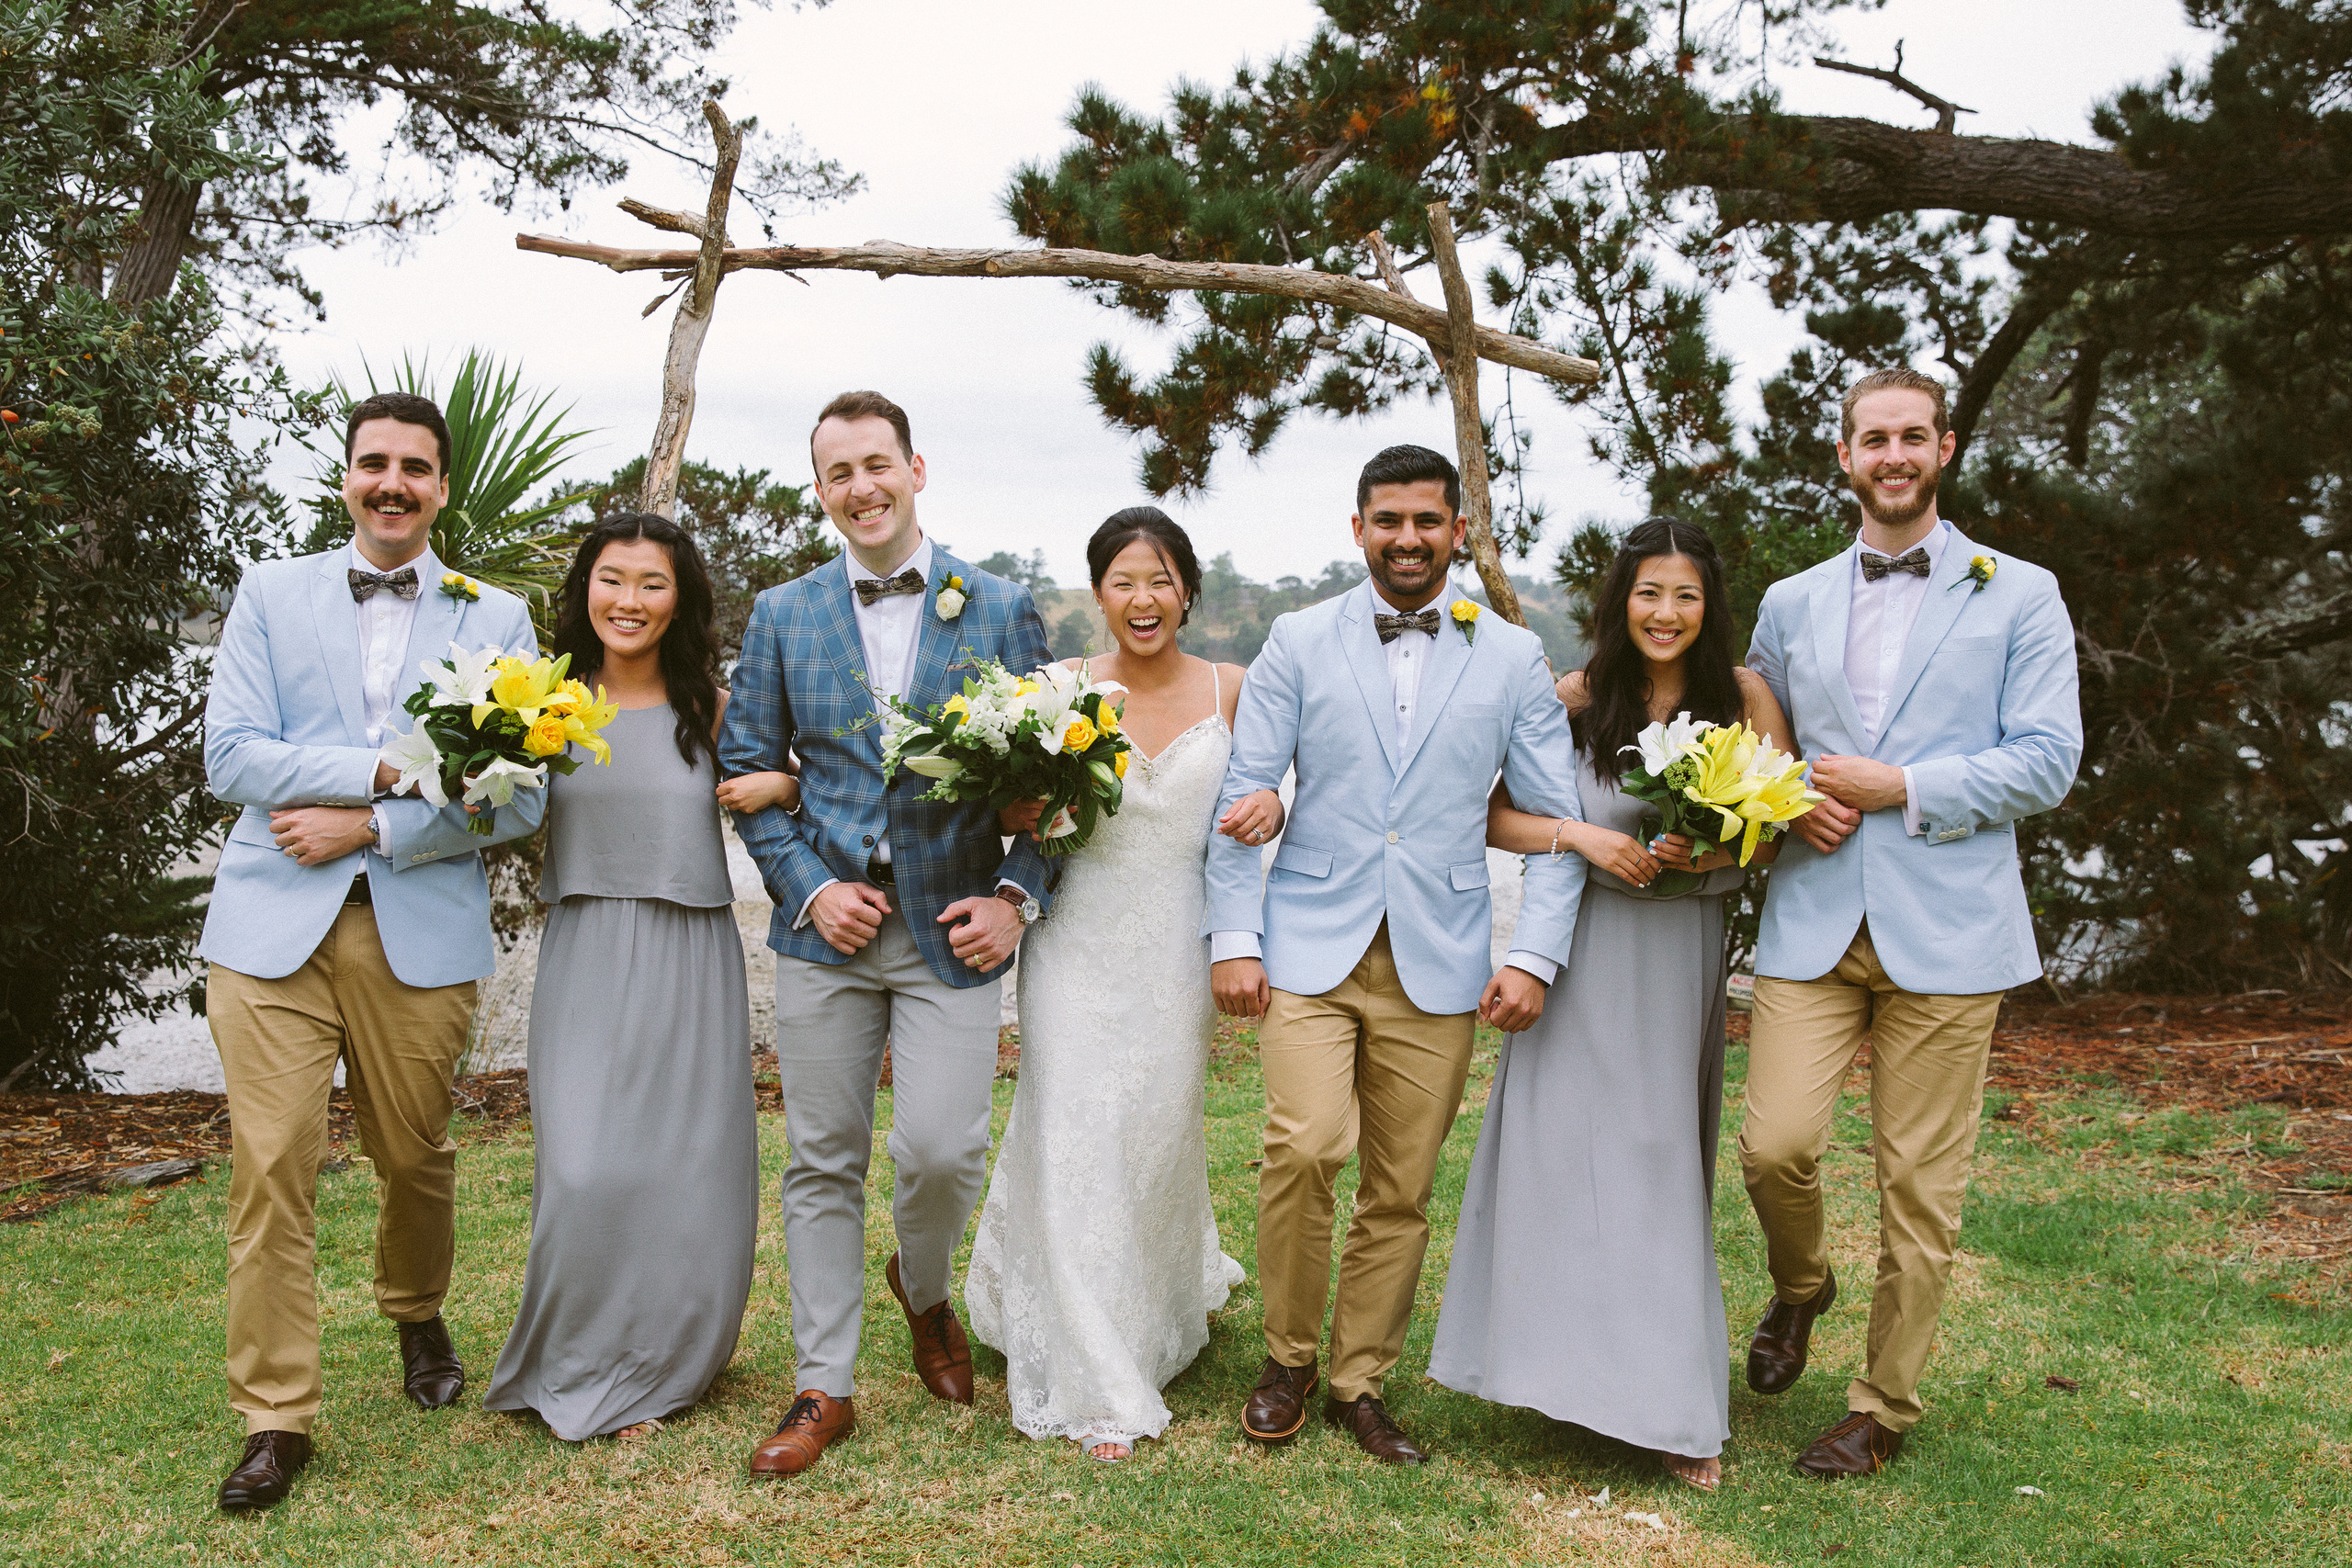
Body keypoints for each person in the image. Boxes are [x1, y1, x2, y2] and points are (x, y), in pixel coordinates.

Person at [197, 392, 547, 1511]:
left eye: (414, 468)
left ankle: (415, 1308)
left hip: (419, 925)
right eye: (371, 465)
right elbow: (234, 759)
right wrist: (390, 769)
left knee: (415, 1156)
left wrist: (375, 823)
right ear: (346, 478)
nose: (391, 483)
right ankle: (277, 1417)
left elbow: (519, 795)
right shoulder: (269, 592)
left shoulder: (498, 618)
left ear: (443, 486)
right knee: (272, 1170)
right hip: (269, 931)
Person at [1204, 444, 1587, 1465]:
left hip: (1444, 955)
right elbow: (1243, 793)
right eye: (1388, 521)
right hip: (1308, 951)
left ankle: (1357, 1379)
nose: (1407, 539)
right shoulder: (1295, 638)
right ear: (1358, 527)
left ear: (1458, 530)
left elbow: (1556, 821)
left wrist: (1534, 957)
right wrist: (1234, 941)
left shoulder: (1511, 656)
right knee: (1303, 1147)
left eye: (1428, 521)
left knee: (1400, 1186)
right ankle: (1285, 1357)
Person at [1739, 367, 2081, 1479]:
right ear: (1843, 457)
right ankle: (1802, 1286)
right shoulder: (1789, 602)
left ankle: (1878, 1405)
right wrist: (1792, 799)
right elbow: (1758, 746)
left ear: (1943, 450)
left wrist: (1905, 788)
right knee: (1773, 1145)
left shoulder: (2018, 593)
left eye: (1911, 438)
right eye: (1870, 439)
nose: (1891, 456)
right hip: (1815, 921)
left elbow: (2046, 759)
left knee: (1916, 1187)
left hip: (1950, 924)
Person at [718, 389, 1060, 1478]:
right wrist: (810, 887)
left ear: (918, 467)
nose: (860, 488)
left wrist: (1015, 898)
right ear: (818, 490)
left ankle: (923, 1289)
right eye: (838, 474)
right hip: (826, 936)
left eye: (878, 465)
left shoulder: (1000, 606)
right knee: (823, 1159)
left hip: (949, 932)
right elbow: (745, 776)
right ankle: (825, 1384)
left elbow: (1056, 786)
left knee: (942, 1148)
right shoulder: (780, 614)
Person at [1430, 518, 1792, 1491]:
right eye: (1646, 593)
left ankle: (1675, 1409)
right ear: (1618, 601)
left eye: (1683, 595)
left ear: (1708, 604)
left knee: (1656, 1164)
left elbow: (1780, 823)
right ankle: (1559, 1374)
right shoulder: (1575, 698)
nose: (1664, 613)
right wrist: (1584, 841)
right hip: (1580, 946)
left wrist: (1716, 851)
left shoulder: (1743, 698)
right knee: (1561, 1164)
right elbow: (1497, 815)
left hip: (1675, 950)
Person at [965, 509, 1262, 1463]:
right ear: (1099, 593)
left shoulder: (1235, 689)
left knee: (1154, 1130)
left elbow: (1274, 791)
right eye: (1125, 581)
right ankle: (1098, 1374)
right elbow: (1007, 813)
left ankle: (1161, 1298)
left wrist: (1276, 806)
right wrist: (1021, 801)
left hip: (1177, 945)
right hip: (1075, 941)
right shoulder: (1053, 689)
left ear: (1187, 592)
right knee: (1075, 1127)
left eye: (1162, 580)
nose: (1144, 599)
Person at [481, 512, 775, 1440]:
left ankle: (664, 1362)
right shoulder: (543, 704)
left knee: (683, 1170)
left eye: (652, 583)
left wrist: (788, 786)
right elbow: (484, 811)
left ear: (679, 598)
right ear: (585, 591)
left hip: (691, 955)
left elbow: (803, 784)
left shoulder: (712, 709)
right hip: (584, 950)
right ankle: (574, 1356)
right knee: (583, 1166)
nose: (630, 601)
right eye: (613, 580)